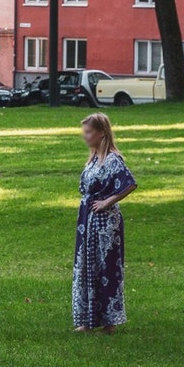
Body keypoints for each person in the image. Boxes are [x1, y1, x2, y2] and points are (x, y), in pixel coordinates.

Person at [75, 113, 136, 333]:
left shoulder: (112, 159)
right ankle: (88, 320)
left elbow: (129, 184)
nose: (86, 137)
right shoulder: (93, 158)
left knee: (106, 267)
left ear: (102, 133)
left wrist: (107, 202)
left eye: (89, 132)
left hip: (105, 224)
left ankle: (109, 322)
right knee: (87, 266)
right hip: (88, 221)